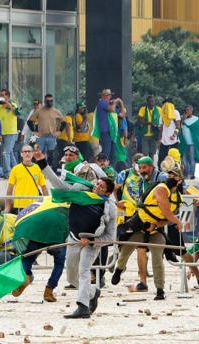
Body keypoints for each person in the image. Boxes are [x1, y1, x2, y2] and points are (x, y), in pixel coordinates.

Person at [30, 151, 117, 318]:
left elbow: (110, 238)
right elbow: (59, 184)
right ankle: (92, 292)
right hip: (74, 237)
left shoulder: (110, 208)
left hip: (91, 243)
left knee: (84, 271)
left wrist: (91, 240)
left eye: (101, 187)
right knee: (72, 277)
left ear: (107, 193)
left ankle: (83, 307)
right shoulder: (81, 191)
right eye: (97, 183)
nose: (97, 186)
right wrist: (43, 163)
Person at [112, 167, 184, 300]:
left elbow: (167, 218)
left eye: (174, 177)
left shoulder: (178, 197)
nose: (171, 178)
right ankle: (118, 269)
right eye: (169, 175)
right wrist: (178, 222)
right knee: (125, 249)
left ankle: (160, 289)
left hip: (155, 229)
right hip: (139, 222)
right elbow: (165, 210)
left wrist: (156, 225)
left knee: (158, 257)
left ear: (180, 180)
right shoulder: (161, 188)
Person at [5, 144, 48, 214]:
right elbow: (9, 190)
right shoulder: (15, 169)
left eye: (29, 151)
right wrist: (8, 207)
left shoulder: (38, 168)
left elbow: (44, 187)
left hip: (34, 205)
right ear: (21, 154)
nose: (27, 154)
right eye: (25, 152)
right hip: (19, 206)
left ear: (33, 153)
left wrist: (47, 204)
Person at [27, 94, 66, 171]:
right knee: (39, 154)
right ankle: (40, 170)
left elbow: (64, 123)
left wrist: (59, 132)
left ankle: (50, 171)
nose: (49, 102)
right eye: (47, 101)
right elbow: (29, 121)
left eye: (51, 101)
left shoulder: (56, 111)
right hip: (41, 136)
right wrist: (34, 132)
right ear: (44, 101)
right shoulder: (39, 110)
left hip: (51, 136)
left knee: (52, 154)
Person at [0, 89, 21, 177]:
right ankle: (17, 171)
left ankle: (7, 173)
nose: (2, 97)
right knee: (9, 152)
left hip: (11, 132)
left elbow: (18, 114)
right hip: (2, 133)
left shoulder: (13, 105)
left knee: (5, 152)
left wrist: (9, 106)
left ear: (8, 97)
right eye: (1, 95)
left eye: (3, 95)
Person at [94, 89, 117, 163]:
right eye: (107, 95)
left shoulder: (107, 104)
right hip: (105, 130)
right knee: (106, 152)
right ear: (103, 96)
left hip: (110, 131)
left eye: (109, 95)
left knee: (111, 152)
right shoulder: (102, 103)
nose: (109, 97)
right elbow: (112, 109)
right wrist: (115, 102)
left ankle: (109, 167)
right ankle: (102, 166)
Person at [158, 98, 181, 167]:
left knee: (174, 159)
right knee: (161, 160)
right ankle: (162, 175)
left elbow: (178, 125)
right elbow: (161, 127)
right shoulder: (162, 114)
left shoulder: (175, 112)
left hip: (173, 141)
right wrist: (159, 139)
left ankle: (176, 174)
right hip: (164, 141)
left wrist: (174, 135)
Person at [180, 105, 197, 179]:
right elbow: (178, 128)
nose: (186, 111)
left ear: (191, 111)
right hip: (184, 143)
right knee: (184, 159)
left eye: (188, 110)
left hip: (193, 143)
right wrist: (182, 120)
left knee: (192, 159)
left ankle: (192, 174)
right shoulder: (182, 118)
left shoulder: (196, 119)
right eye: (185, 110)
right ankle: (186, 173)